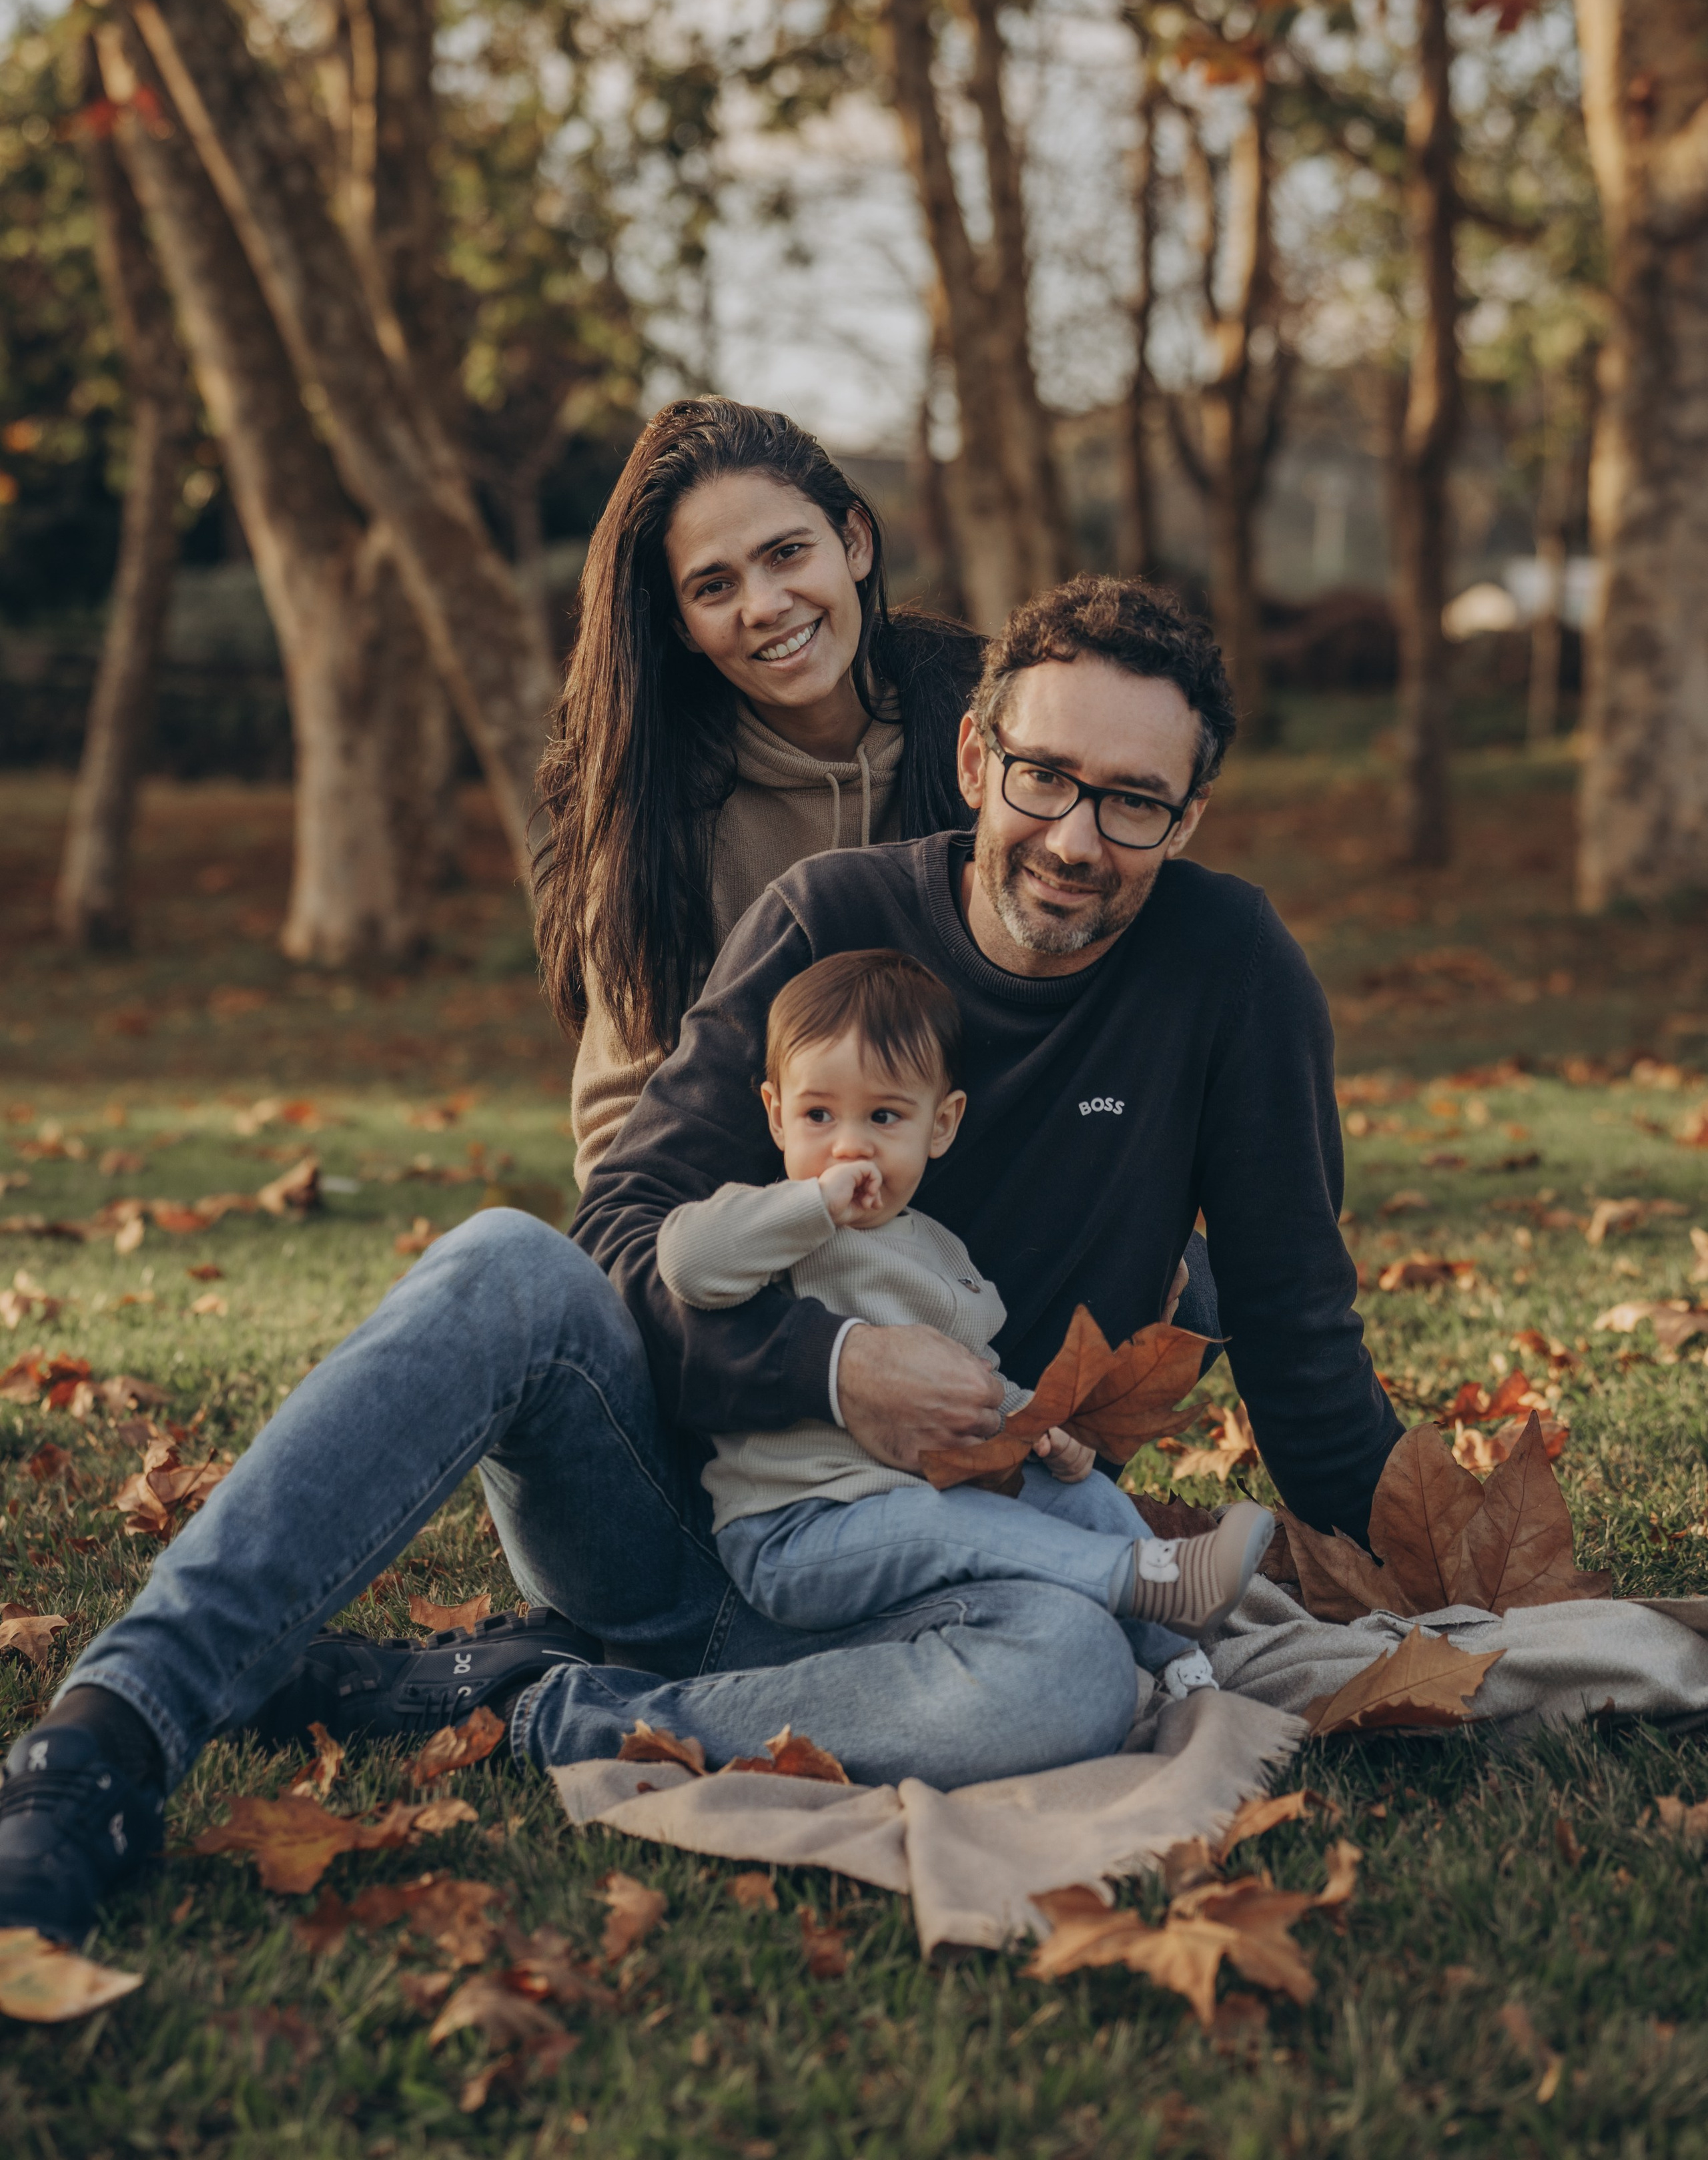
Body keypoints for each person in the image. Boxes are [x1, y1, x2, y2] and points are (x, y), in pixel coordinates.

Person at [0, 571, 1400, 1950]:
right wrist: (831, 1367)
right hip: (688, 1515)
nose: (1075, 836)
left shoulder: (1228, 969)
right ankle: (105, 1738)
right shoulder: (826, 918)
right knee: (505, 1262)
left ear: (1187, 813)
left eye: (1132, 801)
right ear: (976, 757)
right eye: (1043, 775)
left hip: (950, 1570)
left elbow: (1293, 1329)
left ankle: (531, 1703)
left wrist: (1439, 1574)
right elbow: (620, 1236)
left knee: (1072, 1680)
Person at [659, 946, 1272, 1676]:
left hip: (933, 1503)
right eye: (817, 1114)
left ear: (941, 1125)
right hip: (797, 1531)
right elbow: (688, 1265)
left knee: (1088, 1498)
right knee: (946, 1523)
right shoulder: (774, 1226)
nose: (848, 1143)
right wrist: (812, 1203)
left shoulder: (944, 1257)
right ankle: (1138, 1578)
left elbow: (974, 1383)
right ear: (776, 1115)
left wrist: (1041, 1433)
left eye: (883, 1116)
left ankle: (1178, 1663)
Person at [536, 396, 981, 1177]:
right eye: (713, 586)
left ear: (854, 541)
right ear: (680, 625)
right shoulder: (657, 819)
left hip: (996, 1227)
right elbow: (623, 1132)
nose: (764, 607)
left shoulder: (993, 735)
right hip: (762, 1242)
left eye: (785, 553)